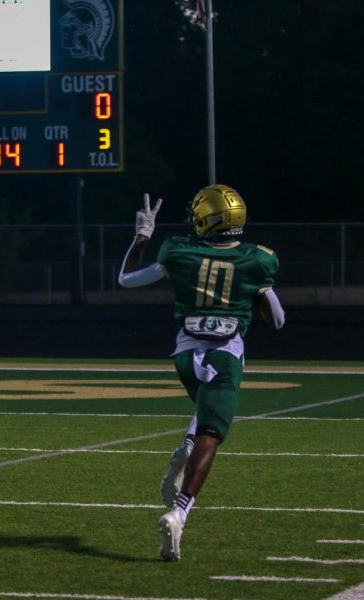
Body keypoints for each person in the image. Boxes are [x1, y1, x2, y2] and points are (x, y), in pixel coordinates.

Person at [117, 184, 286, 561]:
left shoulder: (178, 251)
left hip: (184, 353)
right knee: (212, 433)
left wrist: (141, 237)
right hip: (225, 356)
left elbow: (126, 279)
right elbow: (278, 320)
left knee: (203, 413)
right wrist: (256, 292)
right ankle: (179, 512)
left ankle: (186, 448)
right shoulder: (257, 259)